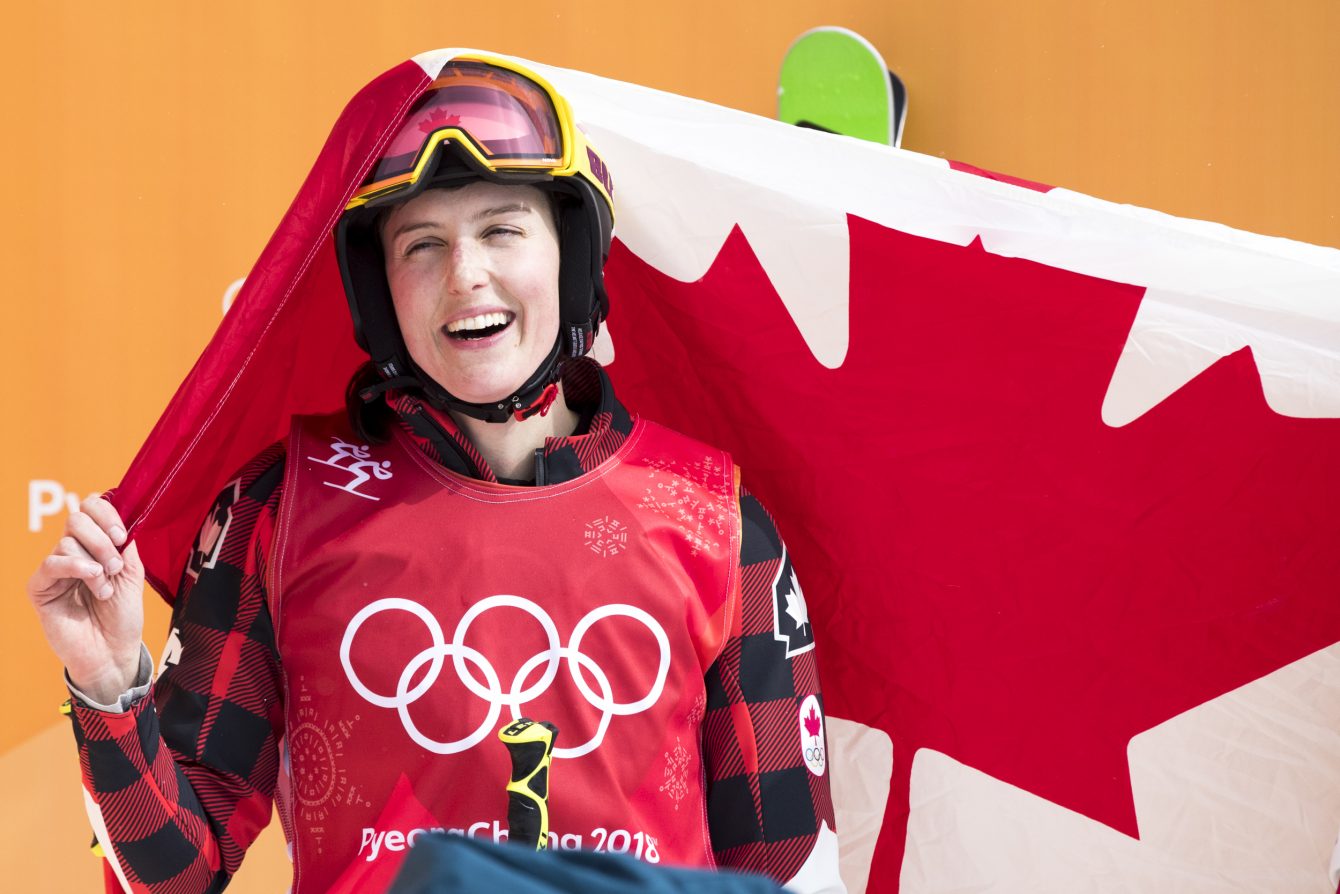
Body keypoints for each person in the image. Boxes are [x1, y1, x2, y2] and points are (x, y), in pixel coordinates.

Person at [27, 52, 841, 894]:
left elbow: (787, 878)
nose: (466, 276)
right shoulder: (280, 506)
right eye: (422, 244)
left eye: (501, 230)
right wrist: (108, 685)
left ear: (570, 259)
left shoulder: (716, 522)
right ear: (378, 294)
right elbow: (172, 882)